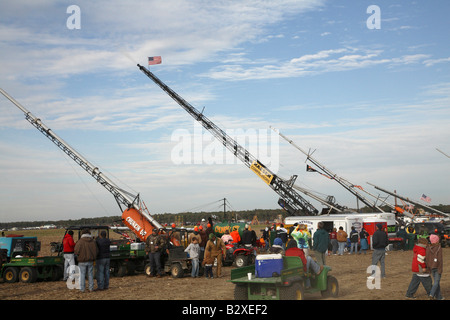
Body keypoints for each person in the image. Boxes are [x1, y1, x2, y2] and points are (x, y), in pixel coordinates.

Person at [74, 228, 98, 293]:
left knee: (82, 275)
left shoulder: (80, 242)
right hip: (90, 260)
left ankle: (82, 289)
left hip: (82, 261)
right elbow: (96, 251)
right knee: (90, 275)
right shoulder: (93, 241)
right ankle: (91, 288)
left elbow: (76, 251)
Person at [426, 234, 444, 300]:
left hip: (431, 267)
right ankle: (431, 294)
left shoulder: (428, 248)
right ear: (437, 241)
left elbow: (427, 258)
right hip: (437, 267)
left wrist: (428, 267)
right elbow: (440, 259)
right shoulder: (439, 248)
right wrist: (440, 269)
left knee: (437, 282)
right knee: (436, 282)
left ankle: (439, 297)